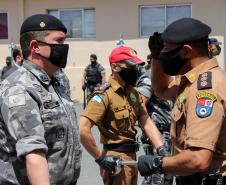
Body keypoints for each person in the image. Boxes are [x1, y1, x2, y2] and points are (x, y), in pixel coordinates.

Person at [138, 18, 226, 185]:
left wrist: (158, 164)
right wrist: (156, 57)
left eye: (166, 49)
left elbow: (199, 159)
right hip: (192, 177)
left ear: (186, 52)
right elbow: (161, 90)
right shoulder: (191, 80)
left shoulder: (205, 89)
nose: (164, 54)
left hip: (207, 179)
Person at [0, 14, 81, 185]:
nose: (64, 47)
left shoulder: (58, 81)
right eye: (59, 41)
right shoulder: (19, 87)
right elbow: (33, 154)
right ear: (35, 46)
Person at [79, 46, 165, 185]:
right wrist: (100, 158)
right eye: (130, 65)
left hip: (131, 157)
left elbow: (146, 122)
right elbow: (83, 128)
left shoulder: (133, 92)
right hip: (115, 160)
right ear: (115, 67)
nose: (135, 69)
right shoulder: (104, 94)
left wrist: (161, 149)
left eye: (136, 66)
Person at [136, 61, 173, 185]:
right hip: (158, 135)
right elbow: (139, 104)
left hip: (170, 134)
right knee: (157, 176)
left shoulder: (171, 74)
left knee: (167, 175)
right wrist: (149, 129)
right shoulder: (150, 77)